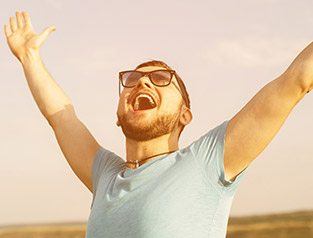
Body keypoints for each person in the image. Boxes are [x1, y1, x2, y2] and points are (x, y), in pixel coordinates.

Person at [4, 11, 312, 238]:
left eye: (161, 79)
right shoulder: (104, 176)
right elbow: (61, 118)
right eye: (132, 79)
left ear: (184, 115)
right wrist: (30, 57)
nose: (143, 83)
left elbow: (296, 80)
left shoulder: (205, 162)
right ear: (118, 113)